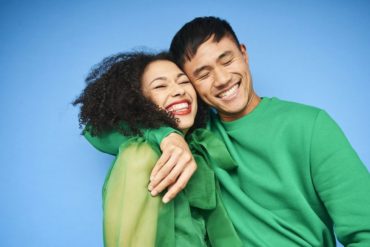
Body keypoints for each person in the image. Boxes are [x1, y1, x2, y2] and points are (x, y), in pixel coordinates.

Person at [86, 17, 370, 246]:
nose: (222, 80)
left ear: (244, 54)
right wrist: (168, 136)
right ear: (192, 86)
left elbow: (365, 230)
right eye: (202, 74)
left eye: (227, 60)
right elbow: (96, 132)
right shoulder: (196, 136)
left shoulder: (310, 125)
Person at [73, 51, 241, 246]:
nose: (179, 91)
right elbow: (94, 132)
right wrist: (165, 135)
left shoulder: (201, 148)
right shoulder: (140, 154)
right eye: (160, 85)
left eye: (184, 81)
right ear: (137, 101)